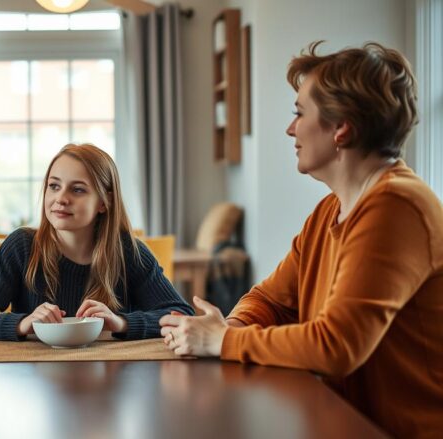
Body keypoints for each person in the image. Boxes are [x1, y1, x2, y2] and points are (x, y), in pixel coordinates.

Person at [159, 41, 443, 438]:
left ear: (341, 128)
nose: (290, 128)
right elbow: (270, 299)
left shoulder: (396, 206)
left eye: (299, 113)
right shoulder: (331, 209)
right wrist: (226, 326)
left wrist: (223, 339)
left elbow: (336, 346)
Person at [0, 143, 193, 340]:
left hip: (112, 373)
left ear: (104, 202)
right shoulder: (20, 247)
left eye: (78, 190)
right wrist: (23, 323)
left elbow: (181, 316)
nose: (61, 198)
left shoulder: (129, 252)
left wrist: (121, 322)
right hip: (34, 374)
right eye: (54, 186)